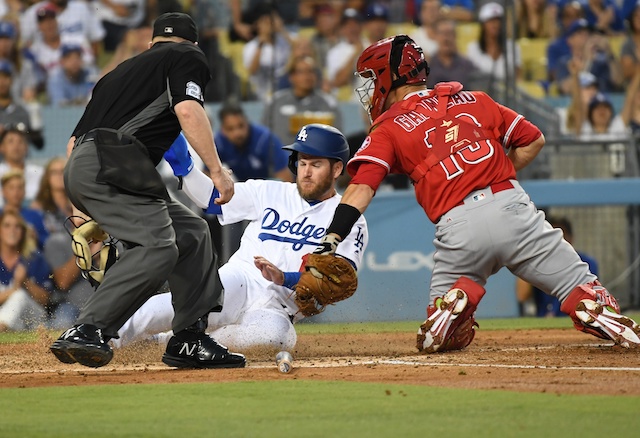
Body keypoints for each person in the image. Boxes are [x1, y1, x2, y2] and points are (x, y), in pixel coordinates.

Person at [313, 34, 640, 354]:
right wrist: (496, 174)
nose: (369, 87)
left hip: (458, 226)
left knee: (440, 337)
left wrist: (333, 237)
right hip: (512, 206)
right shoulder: (476, 99)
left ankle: (455, 304)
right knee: (583, 288)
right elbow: (533, 139)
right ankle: (589, 304)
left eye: (372, 77)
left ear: (389, 75)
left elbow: (362, 187)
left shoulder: (389, 126)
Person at [49, 12, 245, 369]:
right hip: (117, 161)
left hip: (89, 166)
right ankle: (88, 328)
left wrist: (94, 205)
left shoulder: (115, 76)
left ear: (152, 42)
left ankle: (188, 338)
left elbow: (73, 144)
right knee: (158, 247)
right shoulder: (187, 56)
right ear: (193, 42)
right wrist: (217, 171)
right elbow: (188, 110)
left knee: (192, 233)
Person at [113, 125, 368, 351]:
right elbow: (212, 199)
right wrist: (186, 166)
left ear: (337, 169)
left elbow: (338, 279)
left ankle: (170, 342)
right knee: (172, 305)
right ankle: (104, 335)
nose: (306, 172)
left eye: (316, 164)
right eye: (302, 162)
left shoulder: (347, 218)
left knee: (275, 340)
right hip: (240, 279)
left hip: (278, 307)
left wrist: (286, 278)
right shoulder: (270, 191)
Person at [516, 216, 598, 317]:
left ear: (571, 238)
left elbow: (591, 298)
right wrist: (529, 258)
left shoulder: (587, 262)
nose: (558, 243)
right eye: (553, 238)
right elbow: (522, 295)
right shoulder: (538, 262)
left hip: (574, 320)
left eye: (562, 238)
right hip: (543, 322)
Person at [263, 55, 342, 146]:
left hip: (315, 157)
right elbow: (264, 134)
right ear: (291, 77)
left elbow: (337, 138)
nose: (307, 76)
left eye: (311, 72)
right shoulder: (275, 101)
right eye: (301, 72)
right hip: (281, 156)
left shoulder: (328, 103)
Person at [0, 209, 52, 332]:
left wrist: (25, 282)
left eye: (17, 226)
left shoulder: (34, 258)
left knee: (20, 296)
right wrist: (13, 289)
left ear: (23, 232)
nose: (12, 230)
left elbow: (45, 301)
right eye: (7, 226)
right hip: (11, 320)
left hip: (33, 319)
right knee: (15, 294)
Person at [215, 102, 291, 182]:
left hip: (267, 187)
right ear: (222, 130)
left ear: (247, 122)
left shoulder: (265, 139)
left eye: (241, 126)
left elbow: (285, 177)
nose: (237, 133)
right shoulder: (219, 143)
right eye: (230, 129)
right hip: (243, 188)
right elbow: (207, 174)